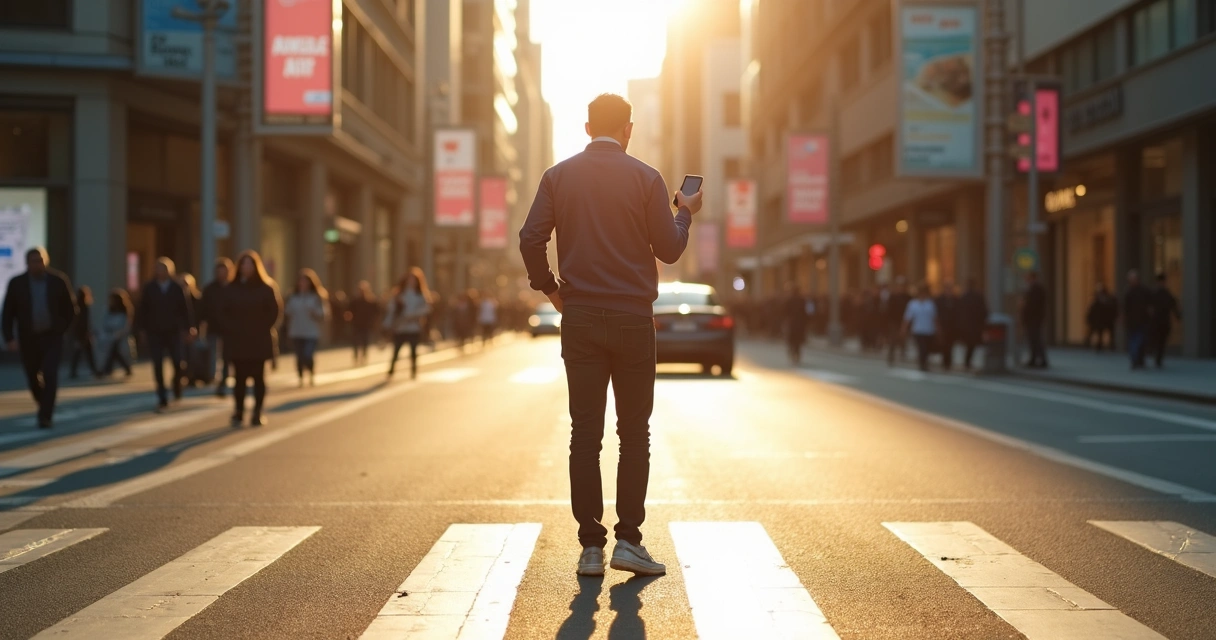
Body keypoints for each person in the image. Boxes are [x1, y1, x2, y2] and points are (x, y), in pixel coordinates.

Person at [519, 93, 701, 577]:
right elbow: (670, 249)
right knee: (633, 432)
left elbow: (530, 238)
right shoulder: (646, 178)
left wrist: (552, 291)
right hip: (632, 320)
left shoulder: (557, 177)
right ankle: (629, 541)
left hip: (578, 318)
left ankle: (590, 547)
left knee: (585, 432)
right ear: (628, 129)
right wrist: (685, 211)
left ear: (585, 128)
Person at [1, 248, 77, 428]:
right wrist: (9, 337)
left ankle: (45, 415)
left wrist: (62, 329)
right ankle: (43, 402)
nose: (37, 264)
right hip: (28, 337)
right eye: (34, 261)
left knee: (50, 374)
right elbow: (8, 313)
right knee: (32, 376)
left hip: (52, 337)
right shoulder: (17, 283)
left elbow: (70, 309)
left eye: (40, 260)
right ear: (27, 263)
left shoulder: (58, 281)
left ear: (46, 261)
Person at [220, 251, 282, 427]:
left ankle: (257, 412)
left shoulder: (266, 287)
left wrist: (262, 328)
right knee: (239, 378)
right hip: (237, 340)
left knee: (258, 378)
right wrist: (231, 328)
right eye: (243, 264)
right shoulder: (231, 288)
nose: (246, 267)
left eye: (250, 264)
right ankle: (239, 411)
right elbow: (223, 312)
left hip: (258, 340)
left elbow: (274, 312)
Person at [139, 257, 195, 412]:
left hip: (174, 331)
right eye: (158, 269)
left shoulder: (177, 287)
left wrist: (189, 327)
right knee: (157, 363)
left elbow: (186, 309)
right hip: (154, 331)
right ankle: (162, 396)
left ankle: (177, 383)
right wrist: (142, 329)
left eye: (163, 269)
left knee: (178, 361)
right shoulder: (149, 288)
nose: (160, 272)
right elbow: (142, 310)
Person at [384, 268, 433, 380]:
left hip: (413, 327)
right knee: (396, 350)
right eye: (409, 279)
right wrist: (387, 324)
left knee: (413, 351)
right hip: (400, 327)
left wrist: (412, 314)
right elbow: (391, 310)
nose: (411, 282)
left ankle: (413, 371)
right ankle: (391, 371)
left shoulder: (420, 294)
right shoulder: (399, 294)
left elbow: (426, 308)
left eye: (413, 280)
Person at [284, 268, 328, 387]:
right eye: (301, 281)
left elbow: (323, 314)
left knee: (308, 355)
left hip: (311, 332)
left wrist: (314, 313)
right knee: (299, 356)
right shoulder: (293, 297)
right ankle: (300, 377)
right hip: (296, 331)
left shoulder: (316, 297)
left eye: (305, 281)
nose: (302, 284)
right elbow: (287, 313)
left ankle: (311, 371)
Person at [201, 258, 234, 397]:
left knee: (227, 356)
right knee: (213, 354)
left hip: (230, 328)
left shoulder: (234, 287)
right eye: (219, 271)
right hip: (214, 327)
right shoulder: (210, 289)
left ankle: (224, 380)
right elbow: (202, 308)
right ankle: (212, 376)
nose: (222, 274)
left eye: (224, 271)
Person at [902, 283, 939, 372]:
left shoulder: (930, 304)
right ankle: (922, 364)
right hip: (917, 330)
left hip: (929, 330)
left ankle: (924, 362)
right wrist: (903, 329)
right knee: (922, 348)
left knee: (927, 349)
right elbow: (907, 318)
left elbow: (935, 318)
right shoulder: (913, 304)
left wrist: (938, 330)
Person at [1148, 272, 1181, 369]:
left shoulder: (1162, 293)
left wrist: (1178, 315)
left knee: (1160, 341)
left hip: (1160, 321)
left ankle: (1158, 358)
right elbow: (1173, 305)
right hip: (1159, 321)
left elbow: (1173, 305)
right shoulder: (1160, 293)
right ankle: (1157, 358)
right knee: (1159, 341)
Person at [68, 286, 101, 379]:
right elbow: (85, 321)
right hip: (83, 333)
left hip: (79, 333)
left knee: (80, 353)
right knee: (87, 353)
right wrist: (87, 332)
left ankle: (74, 371)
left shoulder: (76, 306)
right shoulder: (84, 307)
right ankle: (94, 370)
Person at [100, 289, 135, 377]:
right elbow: (105, 322)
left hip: (121, 336)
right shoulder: (108, 310)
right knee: (113, 351)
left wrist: (120, 333)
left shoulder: (124, 310)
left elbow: (126, 325)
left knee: (115, 351)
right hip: (110, 335)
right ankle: (110, 368)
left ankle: (108, 369)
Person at [1123, 270, 1152, 370]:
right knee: (1135, 342)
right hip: (1134, 322)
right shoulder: (1129, 293)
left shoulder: (1143, 291)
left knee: (1139, 341)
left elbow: (1150, 305)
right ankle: (1136, 360)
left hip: (1142, 321)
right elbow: (1125, 309)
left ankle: (1138, 360)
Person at [958, 278, 989, 370]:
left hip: (968, 325)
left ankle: (967, 362)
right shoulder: (977, 296)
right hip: (975, 325)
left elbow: (960, 312)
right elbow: (984, 311)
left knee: (970, 344)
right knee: (972, 344)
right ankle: (968, 361)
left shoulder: (964, 296)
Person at [348, 281, 381, 365]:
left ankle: (364, 356)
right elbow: (349, 311)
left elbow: (377, 312)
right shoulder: (355, 301)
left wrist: (374, 322)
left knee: (365, 341)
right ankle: (356, 357)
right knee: (355, 342)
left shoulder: (371, 301)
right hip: (356, 324)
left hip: (366, 325)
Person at [1021, 271, 1048, 369]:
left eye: (1028, 277)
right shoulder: (1032, 288)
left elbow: (1032, 305)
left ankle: (1041, 360)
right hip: (1033, 319)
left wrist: (1024, 305)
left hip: (1034, 319)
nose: (1026, 279)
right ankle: (1034, 359)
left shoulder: (1036, 289)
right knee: (1033, 340)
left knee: (1036, 339)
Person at [1085, 283, 1118, 352]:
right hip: (1100, 321)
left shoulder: (1109, 299)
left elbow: (1113, 309)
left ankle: (1110, 346)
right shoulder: (1097, 300)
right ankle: (1099, 346)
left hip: (1107, 320)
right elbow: (1092, 311)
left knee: (1108, 334)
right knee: (1100, 334)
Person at [934, 280, 960, 369]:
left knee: (951, 344)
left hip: (952, 326)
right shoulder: (939, 299)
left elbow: (958, 313)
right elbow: (935, 313)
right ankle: (945, 361)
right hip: (942, 326)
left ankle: (948, 361)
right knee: (944, 344)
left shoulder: (955, 299)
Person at [885, 279, 911, 366]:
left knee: (903, 339)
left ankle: (903, 354)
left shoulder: (908, 297)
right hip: (894, 322)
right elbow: (889, 310)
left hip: (904, 321)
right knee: (893, 340)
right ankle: (891, 356)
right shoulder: (893, 297)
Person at [784, 285, 808, 365]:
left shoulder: (789, 300)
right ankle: (797, 355)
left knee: (792, 340)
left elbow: (784, 312)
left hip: (792, 324)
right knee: (798, 341)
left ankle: (793, 353)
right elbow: (806, 312)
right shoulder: (802, 300)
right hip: (800, 324)